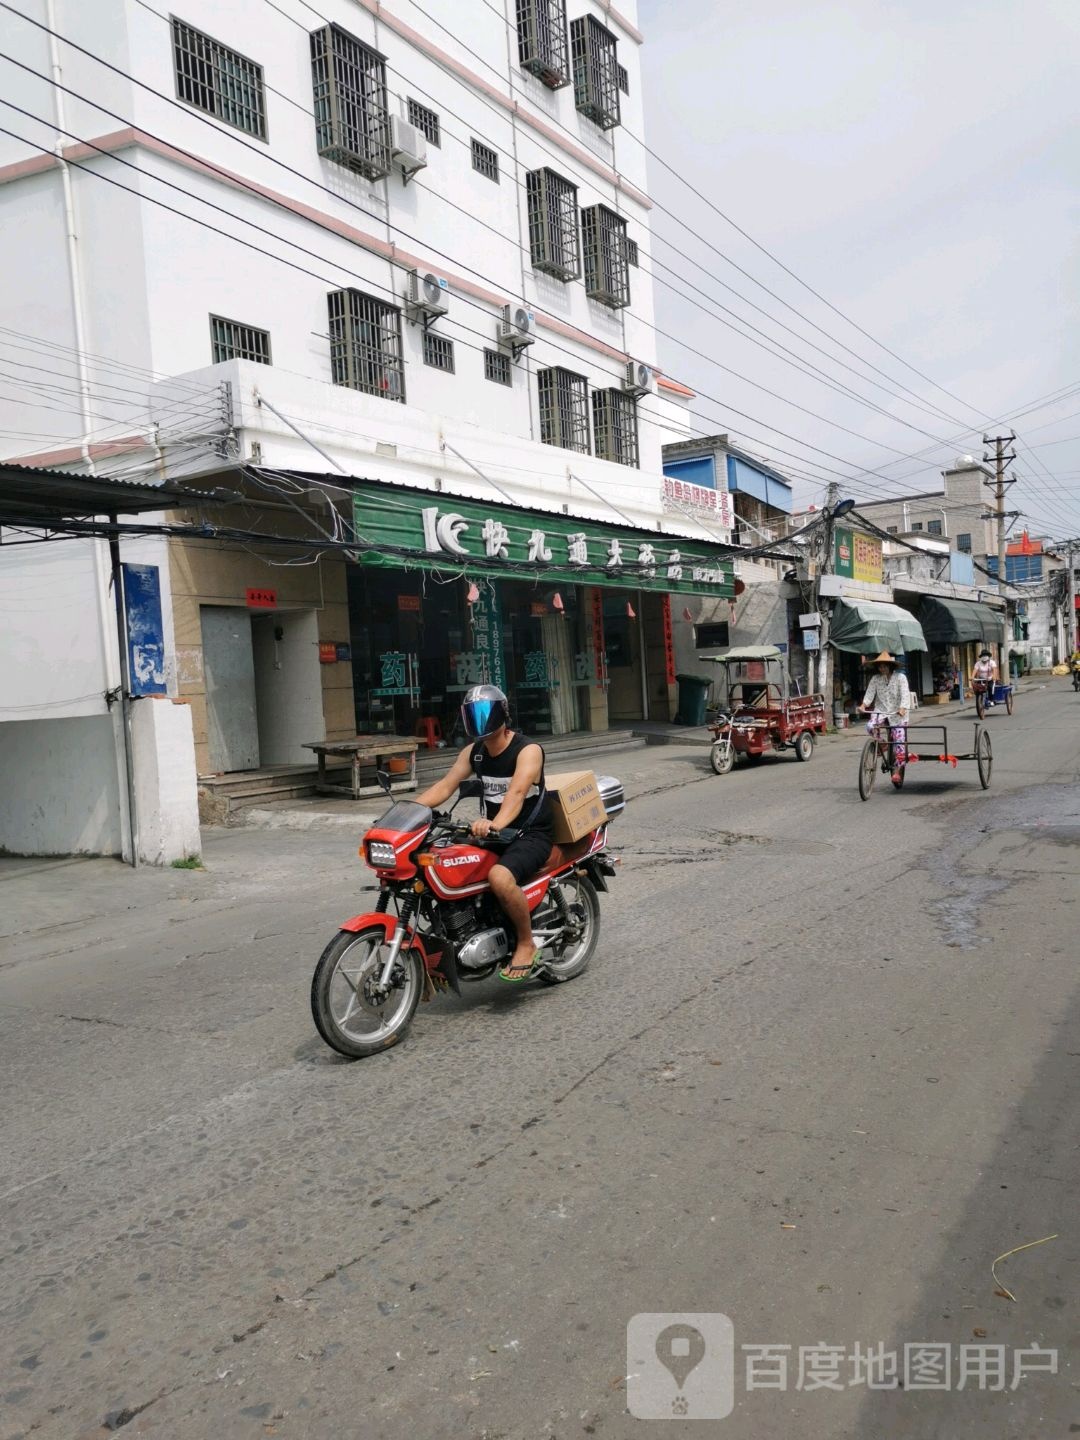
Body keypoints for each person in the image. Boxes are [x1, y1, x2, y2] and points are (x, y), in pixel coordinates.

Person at [416, 684, 554, 983]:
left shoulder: (527, 750)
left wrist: (495, 824)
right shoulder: (474, 751)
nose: (479, 721)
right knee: (442, 862)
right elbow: (445, 786)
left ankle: (526, 943)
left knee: (499, 878)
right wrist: (406, 812)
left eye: (485, 713)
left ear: (502, 714)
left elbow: (516, 794)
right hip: (494, 834)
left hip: (529, 832)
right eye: (473, 714)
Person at [858, 651, 911, 787]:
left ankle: (897, 772)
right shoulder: (875, 679)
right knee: (870, 726)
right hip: (881, 711)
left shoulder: (901, 678)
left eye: (884, 666)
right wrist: (864, 705)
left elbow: (905, 694)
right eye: (880, 667)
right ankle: (882, 744)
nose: (882, 669)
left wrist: (903, 707)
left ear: (890, 666)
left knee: (899, 741)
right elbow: (869, 694)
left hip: (897, 713)